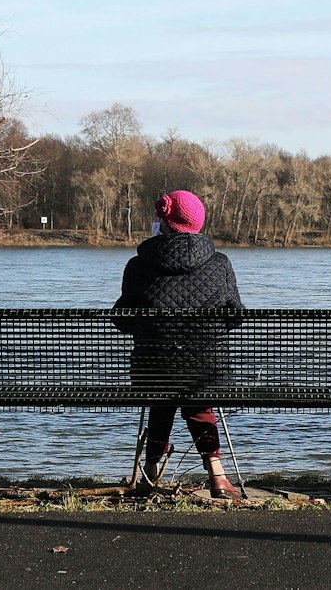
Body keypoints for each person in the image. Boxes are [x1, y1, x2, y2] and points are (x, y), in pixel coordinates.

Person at [113, 189, 243, 499]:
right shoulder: (220, 263)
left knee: (161, 393)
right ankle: (218, 476)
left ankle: (150, 473)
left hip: (152, 369)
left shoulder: (138, 265)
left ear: (163, 222)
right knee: (198, 400)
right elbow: (235, 316)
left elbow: (121, 319)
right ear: (198, 223)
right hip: (206, 370)